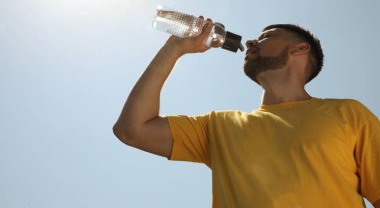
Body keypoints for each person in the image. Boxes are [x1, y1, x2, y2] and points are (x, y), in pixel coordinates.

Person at [113, 16, 380, 208]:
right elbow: (132, 129)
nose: (251, 41)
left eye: (266, 36)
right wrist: (174, 48)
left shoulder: (347, 113)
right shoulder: (220, 126)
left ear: (300, 49)